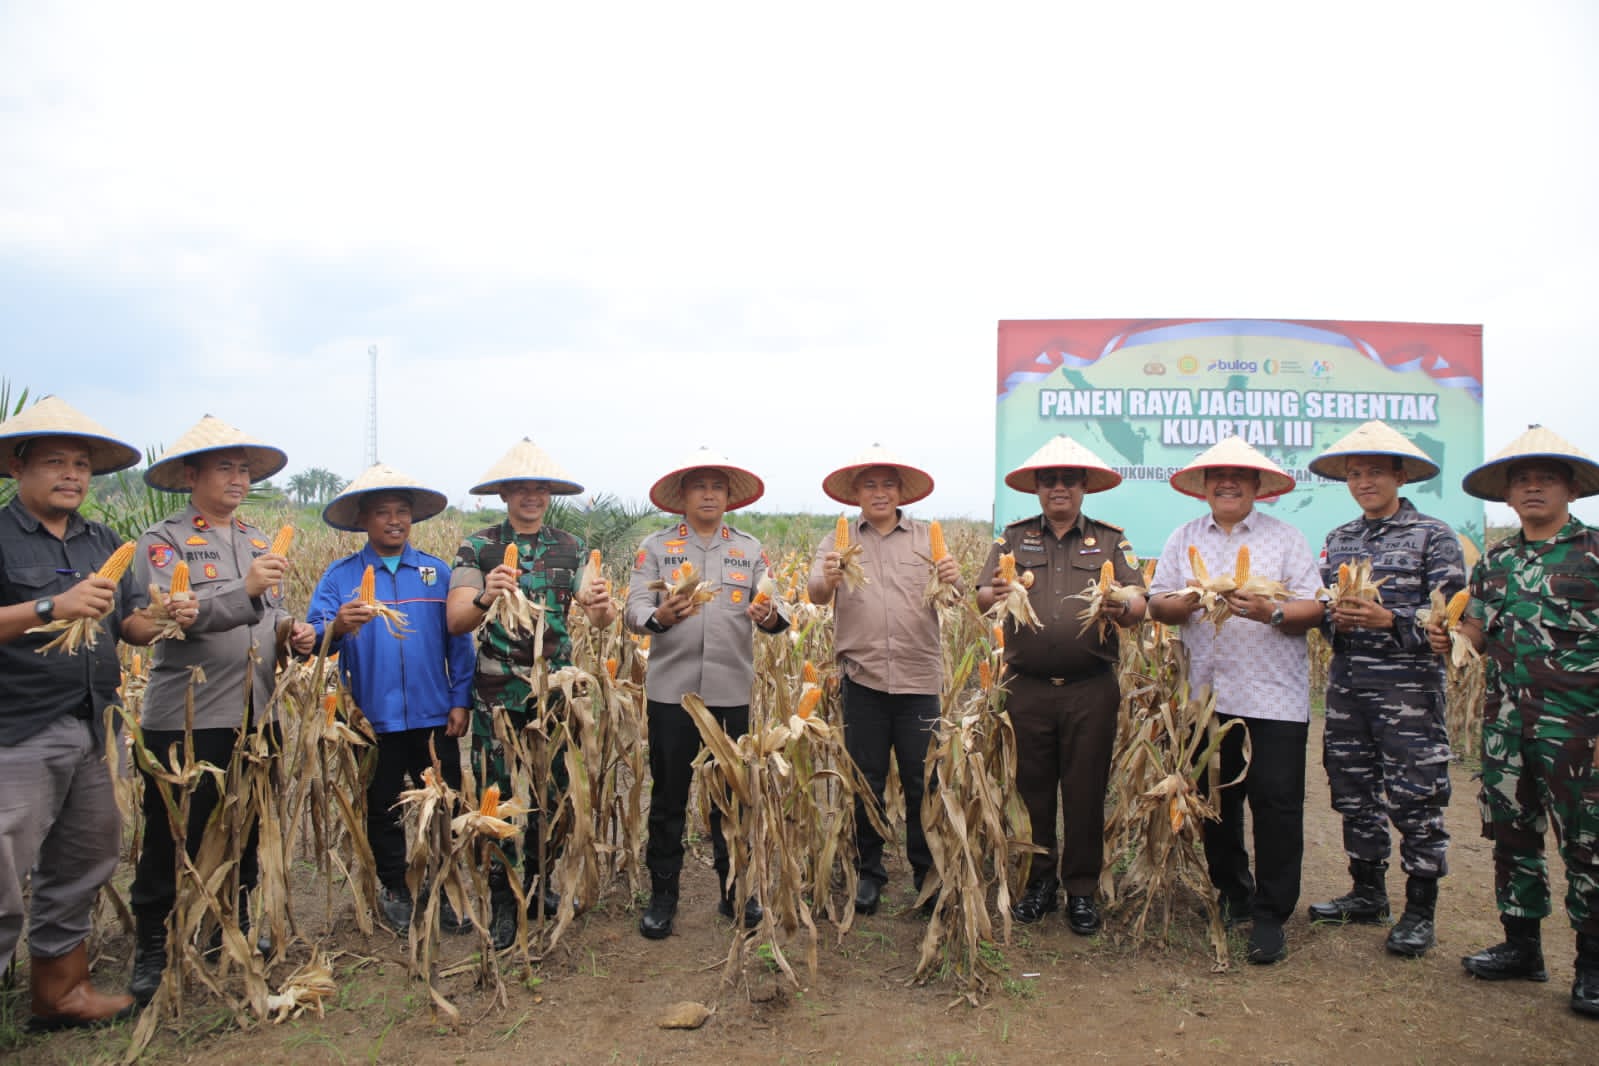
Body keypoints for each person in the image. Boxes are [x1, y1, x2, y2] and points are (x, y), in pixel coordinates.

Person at [123, 416, 316, 1005]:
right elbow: (176, 618)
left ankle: (222, 929)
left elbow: (264, 619)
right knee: (171, 837)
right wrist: (250, 591)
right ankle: (154, 945)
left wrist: (290, 632)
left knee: (246, 830)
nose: (237, 479)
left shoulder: (258, 542)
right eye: (225, 468)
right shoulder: (163, 542)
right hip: (188, 716)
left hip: (255, 714)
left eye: (244, 470)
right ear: (191, 475)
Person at [1428, 426, 1599, 1018]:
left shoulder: (1594, 552)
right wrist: (1450, 634)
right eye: (1521, 480)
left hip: (1581, 728)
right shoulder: (1497, 561)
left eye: (1545, 478)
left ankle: (1593, 965)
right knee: (1511, 833)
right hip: (1504, 723)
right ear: (1505, 495)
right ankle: (1522, 944)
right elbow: (1478, 628)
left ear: (1571, 487)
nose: (1532, 488)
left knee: (1587, 843)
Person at [1147, 436, 1321, 965]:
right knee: (1216, 806)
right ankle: (1232, 894)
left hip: (1274, 697)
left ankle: (1271, 913)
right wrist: (1185, 603)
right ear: (1203, 486)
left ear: (1257, 487)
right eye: (1217, 475)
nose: (1228, 483)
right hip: (1205, 696)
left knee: (1276, 805)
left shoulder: (1286, 539)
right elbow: (1158, 601)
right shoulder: (1183, 538)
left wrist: (1268, 611)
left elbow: (1314, 609)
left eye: (1240, 476)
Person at [0, 397, 142, 1030]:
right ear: (17, 466)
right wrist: (47, 608)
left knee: (85, 857)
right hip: (17, 727)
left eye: (81, 464)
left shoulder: (102, 540)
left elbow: (131, 623)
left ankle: (60, 992)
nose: (71, 475)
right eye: (54, 461)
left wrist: (166, 617)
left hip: (94, 723)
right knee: (3, 867)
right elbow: (51, 613)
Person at [446, 439, 614, 950]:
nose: (531, 495)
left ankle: (538, 883)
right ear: (503, 493)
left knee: (556, 794)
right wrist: (485, 594)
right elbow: (456, 620)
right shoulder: (477, 548)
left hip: (555, 695)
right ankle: (503, 899)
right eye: (520, 487)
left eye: (539, 487)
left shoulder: (571, 547)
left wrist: (601, 604)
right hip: (497, 696)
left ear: (549, 495)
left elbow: (598, 613)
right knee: (500, 799)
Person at [1306, 421, 1465, 958]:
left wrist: (1388, 619)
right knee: (1352, 790)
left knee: (1417, 798)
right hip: (1349, 689)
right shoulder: (1339, 539)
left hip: (1410, 695)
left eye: (1376, 471)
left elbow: (1451, 621)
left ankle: (1420, 910)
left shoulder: (1433, 536)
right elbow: (1326, 610)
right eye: (1355, 473)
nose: (1364, 481)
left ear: (1400, 475)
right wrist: (1336, 622)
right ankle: (1367, 891)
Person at [976, 435, 1146, 935]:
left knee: (1085, 791)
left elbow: (1139, 601)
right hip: (1023, 687)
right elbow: (983, 595)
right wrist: (996, 593)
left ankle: (1081, 891)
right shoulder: (1012, 539)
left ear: (1083, 487)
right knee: (1031, 792)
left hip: (1089, 687)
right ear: (1036, 488)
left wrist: (1126, 607)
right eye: (1049, 480)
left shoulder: (1111, 541)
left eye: (1068, 480)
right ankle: (1038, 883)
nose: (1058, 488)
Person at [626, 447, 787, 939]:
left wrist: (770, 616)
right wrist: (660, 617)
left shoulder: (748, 548)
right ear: (683, 496)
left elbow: (775, 607)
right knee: (669, 796)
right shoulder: (656, 548)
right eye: (700, 486)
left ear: (728, 497)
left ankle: (735, 891)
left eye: (718, 486)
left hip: (729, 693)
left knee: (731, 800)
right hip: (671, 694)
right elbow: (634, 605)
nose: (710, 494)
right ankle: (663, 897)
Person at [307, 464, 475, 934]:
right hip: (371, 718)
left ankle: (444, 886)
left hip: (432, 715)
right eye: (383, 512)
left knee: (444, 805)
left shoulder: (436, 574)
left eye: (402, 512)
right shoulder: (341, 578)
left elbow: (459, 642)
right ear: (364, 520)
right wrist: (337, 626)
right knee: (381, 805)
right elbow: (314, 640)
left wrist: (459, 699)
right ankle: (395, 887)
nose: (395, 520)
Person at [807, 445, 961, 915]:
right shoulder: (836, 541)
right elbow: (815, 595)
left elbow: (952, 599)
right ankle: (868, 873)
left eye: (887, 485)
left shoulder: (924, 538)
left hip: (918, 678)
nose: (879, 493)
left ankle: (924, 872)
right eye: (870, 485)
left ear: (900, 492)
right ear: (856, 493)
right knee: (865, 781)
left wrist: (952, 578)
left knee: (923, 782)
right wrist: (829, 576)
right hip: (863, 679)